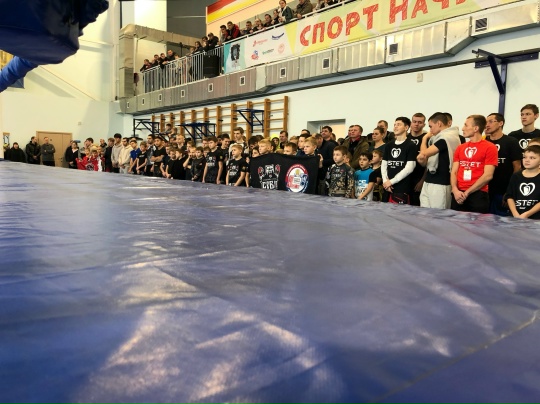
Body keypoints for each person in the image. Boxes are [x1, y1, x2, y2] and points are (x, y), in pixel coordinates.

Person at [450, 115, 498, 213]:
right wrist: (455, 190)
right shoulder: (460, 148)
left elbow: (488, 175)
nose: (463, 128)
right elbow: (454, 171)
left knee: (478, 222)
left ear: (476, 128)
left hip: (478, 194)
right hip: (458, 193)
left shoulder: (490, 147)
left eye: (466, 125)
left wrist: (467, 192)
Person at [416, 112, 461, 209]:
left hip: (441, 183)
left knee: (438, 215)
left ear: (439, 124)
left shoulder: (447, 137)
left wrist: (424, 138)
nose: (430, 130)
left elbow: (423, 154)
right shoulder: (437, 138)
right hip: (429, 180)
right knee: (424, 213)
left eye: (431, 126)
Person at [485, 113, 522, 215]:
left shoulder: (511, 141)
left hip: (503, 190)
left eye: (491, 121)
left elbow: (517, 167)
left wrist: (510, 191)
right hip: (485, 189)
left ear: (500, 123)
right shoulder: (484, 141)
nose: (487, 125)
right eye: (486, 122)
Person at [381, 117, 417, 204]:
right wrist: (385, 181)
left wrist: (392, 181)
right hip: (387, 187)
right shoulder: (389, 145)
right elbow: (384, 164)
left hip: (402, 187)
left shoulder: (411, 145)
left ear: (406, 127)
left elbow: (410, 168)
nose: (395, 127)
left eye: (399, 125)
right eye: (394, 125)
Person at [505, 145, 540, 219]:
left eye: (532, 158)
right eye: (524, 157)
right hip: (516, 216)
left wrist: (527, 214)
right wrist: (515, 214)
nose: (527, 160)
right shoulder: (516, 176)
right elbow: (509, 196)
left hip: (536, 219)